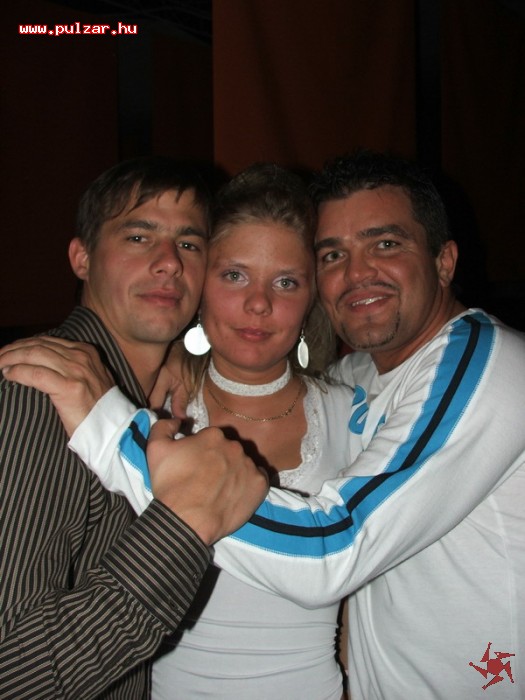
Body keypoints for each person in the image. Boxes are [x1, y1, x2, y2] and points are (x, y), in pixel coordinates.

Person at [3, 150, 524, 699]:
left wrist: (109, 426)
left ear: (444, 261)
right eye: (234, 275)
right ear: (202, 286)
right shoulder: (361, 384)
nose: (257, 304)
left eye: (286, 283)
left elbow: (337, 553)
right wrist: (174, 361)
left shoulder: (442, 381)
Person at [2, 164, 354, 699]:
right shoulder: (44, 393)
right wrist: (185, 523)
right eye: (138, 237)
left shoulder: (142, 398)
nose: (168, 261)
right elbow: (13, 667)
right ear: (82, 257)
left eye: (188, 244)